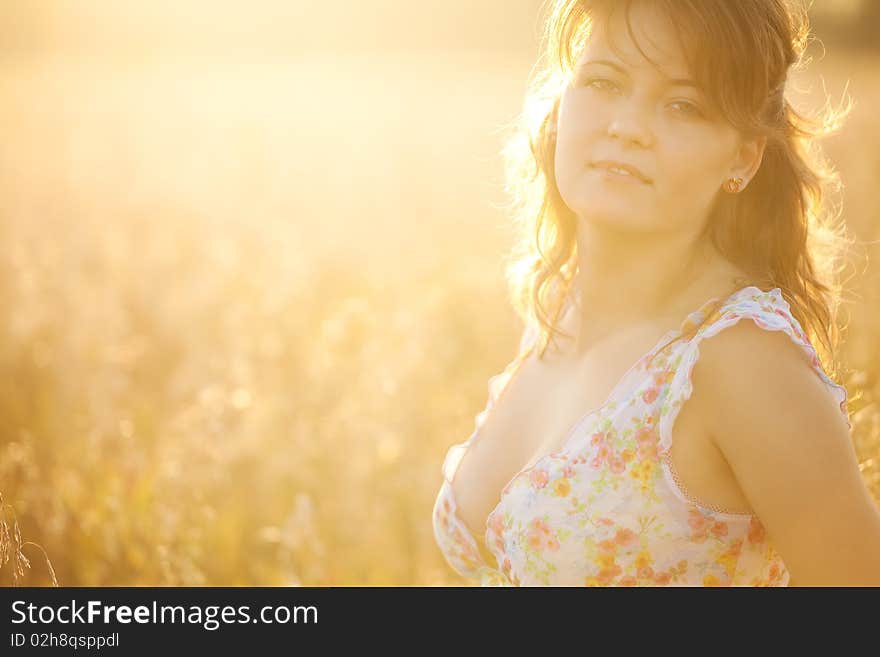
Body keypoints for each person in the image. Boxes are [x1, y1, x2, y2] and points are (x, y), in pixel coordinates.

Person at [432, 0, 880, 586]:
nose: (626, 126)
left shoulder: (738, 360)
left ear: (744, 155)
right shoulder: (560, 309)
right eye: (603, 81)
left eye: (683, 105)